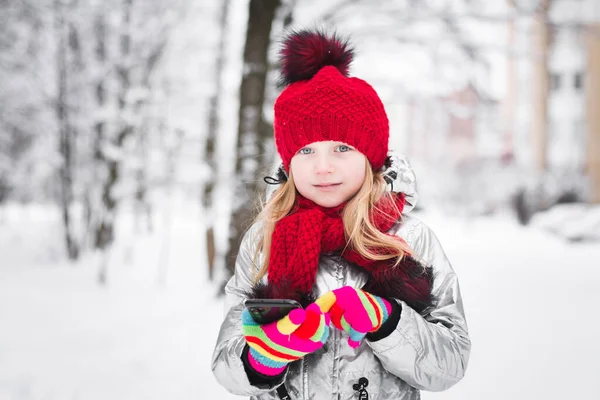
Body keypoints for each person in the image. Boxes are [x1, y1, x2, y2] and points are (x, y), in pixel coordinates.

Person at [211, 29, 470, 400]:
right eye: (306, 152)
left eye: (342, 148)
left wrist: (387, 320)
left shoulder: (408, 239)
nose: (323, 167)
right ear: (287, 161)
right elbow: (226, 364)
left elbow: (450, 363)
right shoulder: (265, 238)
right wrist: (265, 357)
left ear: (371, 157)